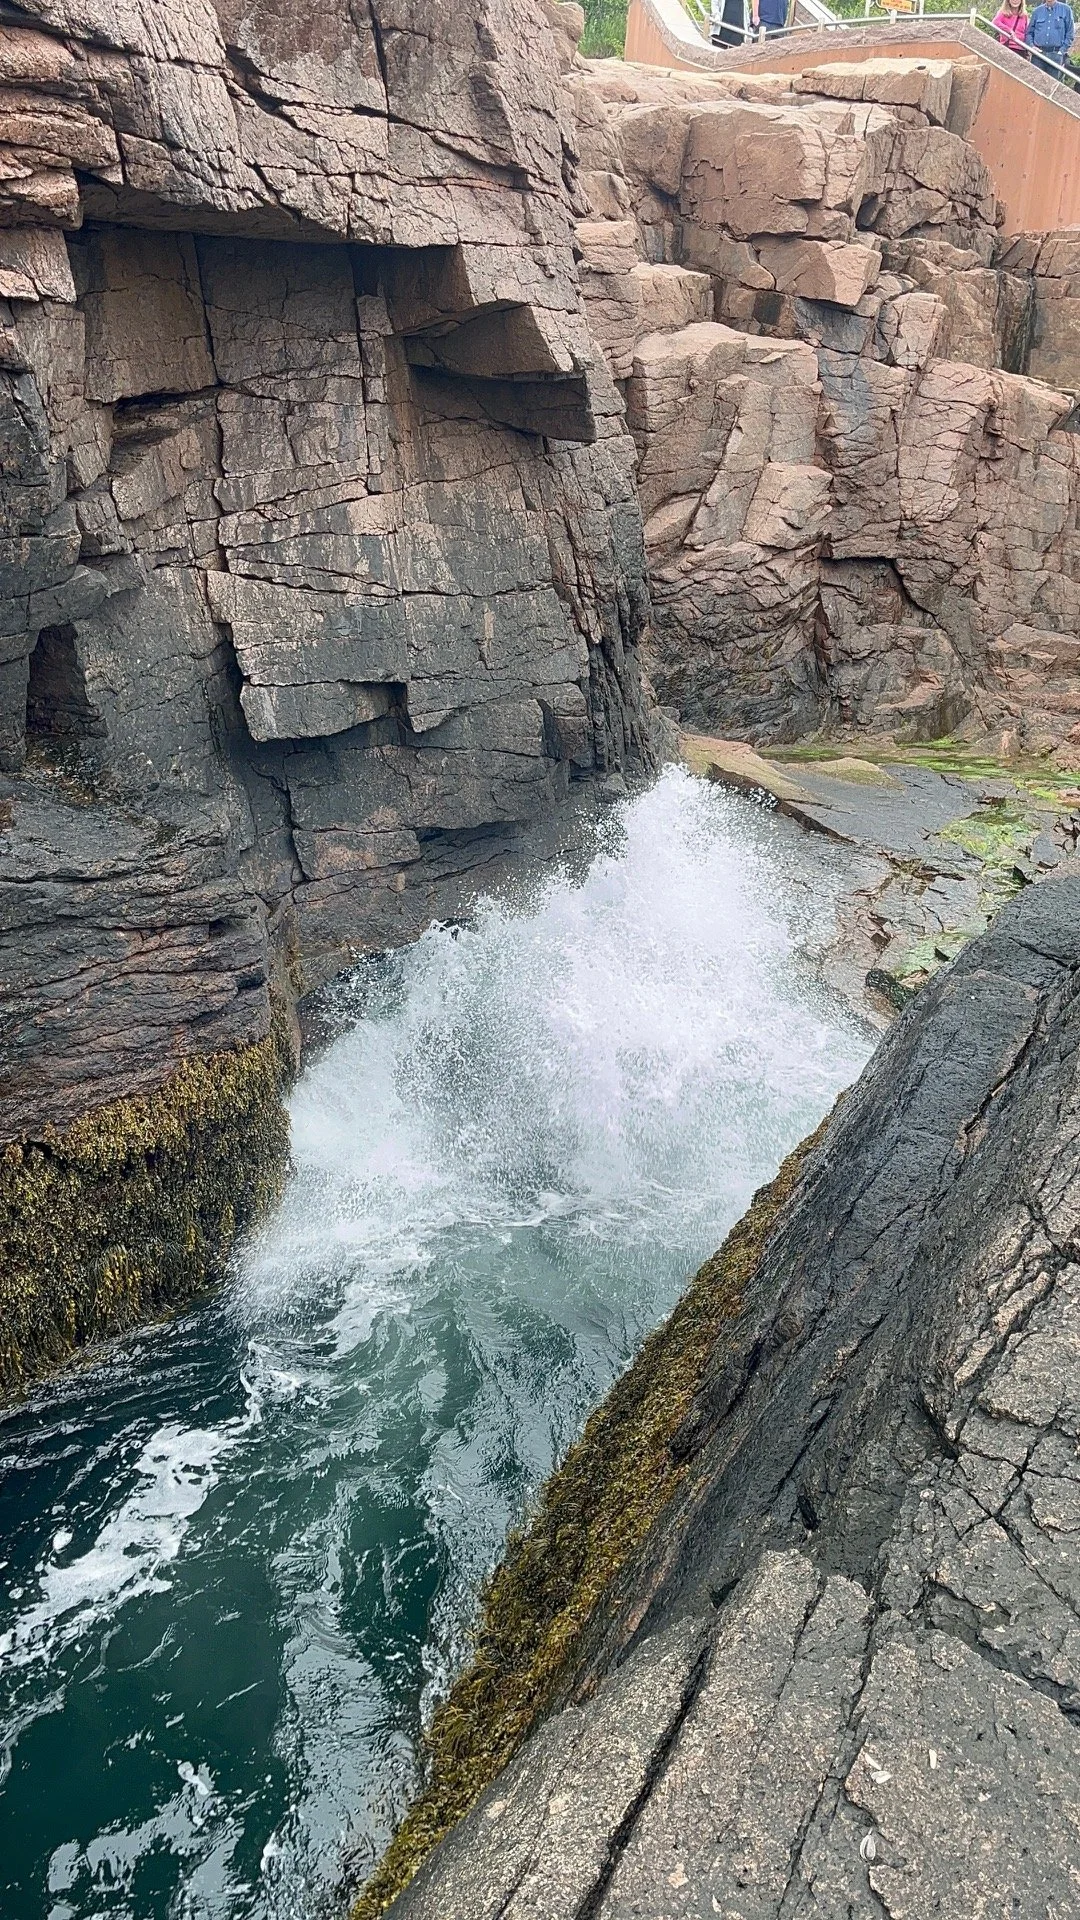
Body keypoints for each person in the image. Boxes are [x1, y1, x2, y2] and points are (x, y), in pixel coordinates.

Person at [1026, 0, 1075, 74]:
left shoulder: (1066, 10)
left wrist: (1061, 51)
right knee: (1036, 83)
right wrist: (1032, 46)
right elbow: (1029, 33)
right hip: (1038, 55)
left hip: (1056, 55)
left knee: (1053, 84)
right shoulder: (1037, 11)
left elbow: (1070, 33)